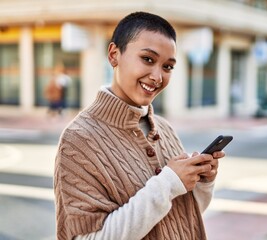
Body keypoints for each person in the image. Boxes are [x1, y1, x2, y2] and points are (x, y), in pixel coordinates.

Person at [54, 11, 225, 240]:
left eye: (168, 67)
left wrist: (203, 183)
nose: (157, 76)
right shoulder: (78, 140)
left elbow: (184, 218)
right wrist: (168, 183)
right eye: (148, 59)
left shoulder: (164, 129)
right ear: (114, 55)